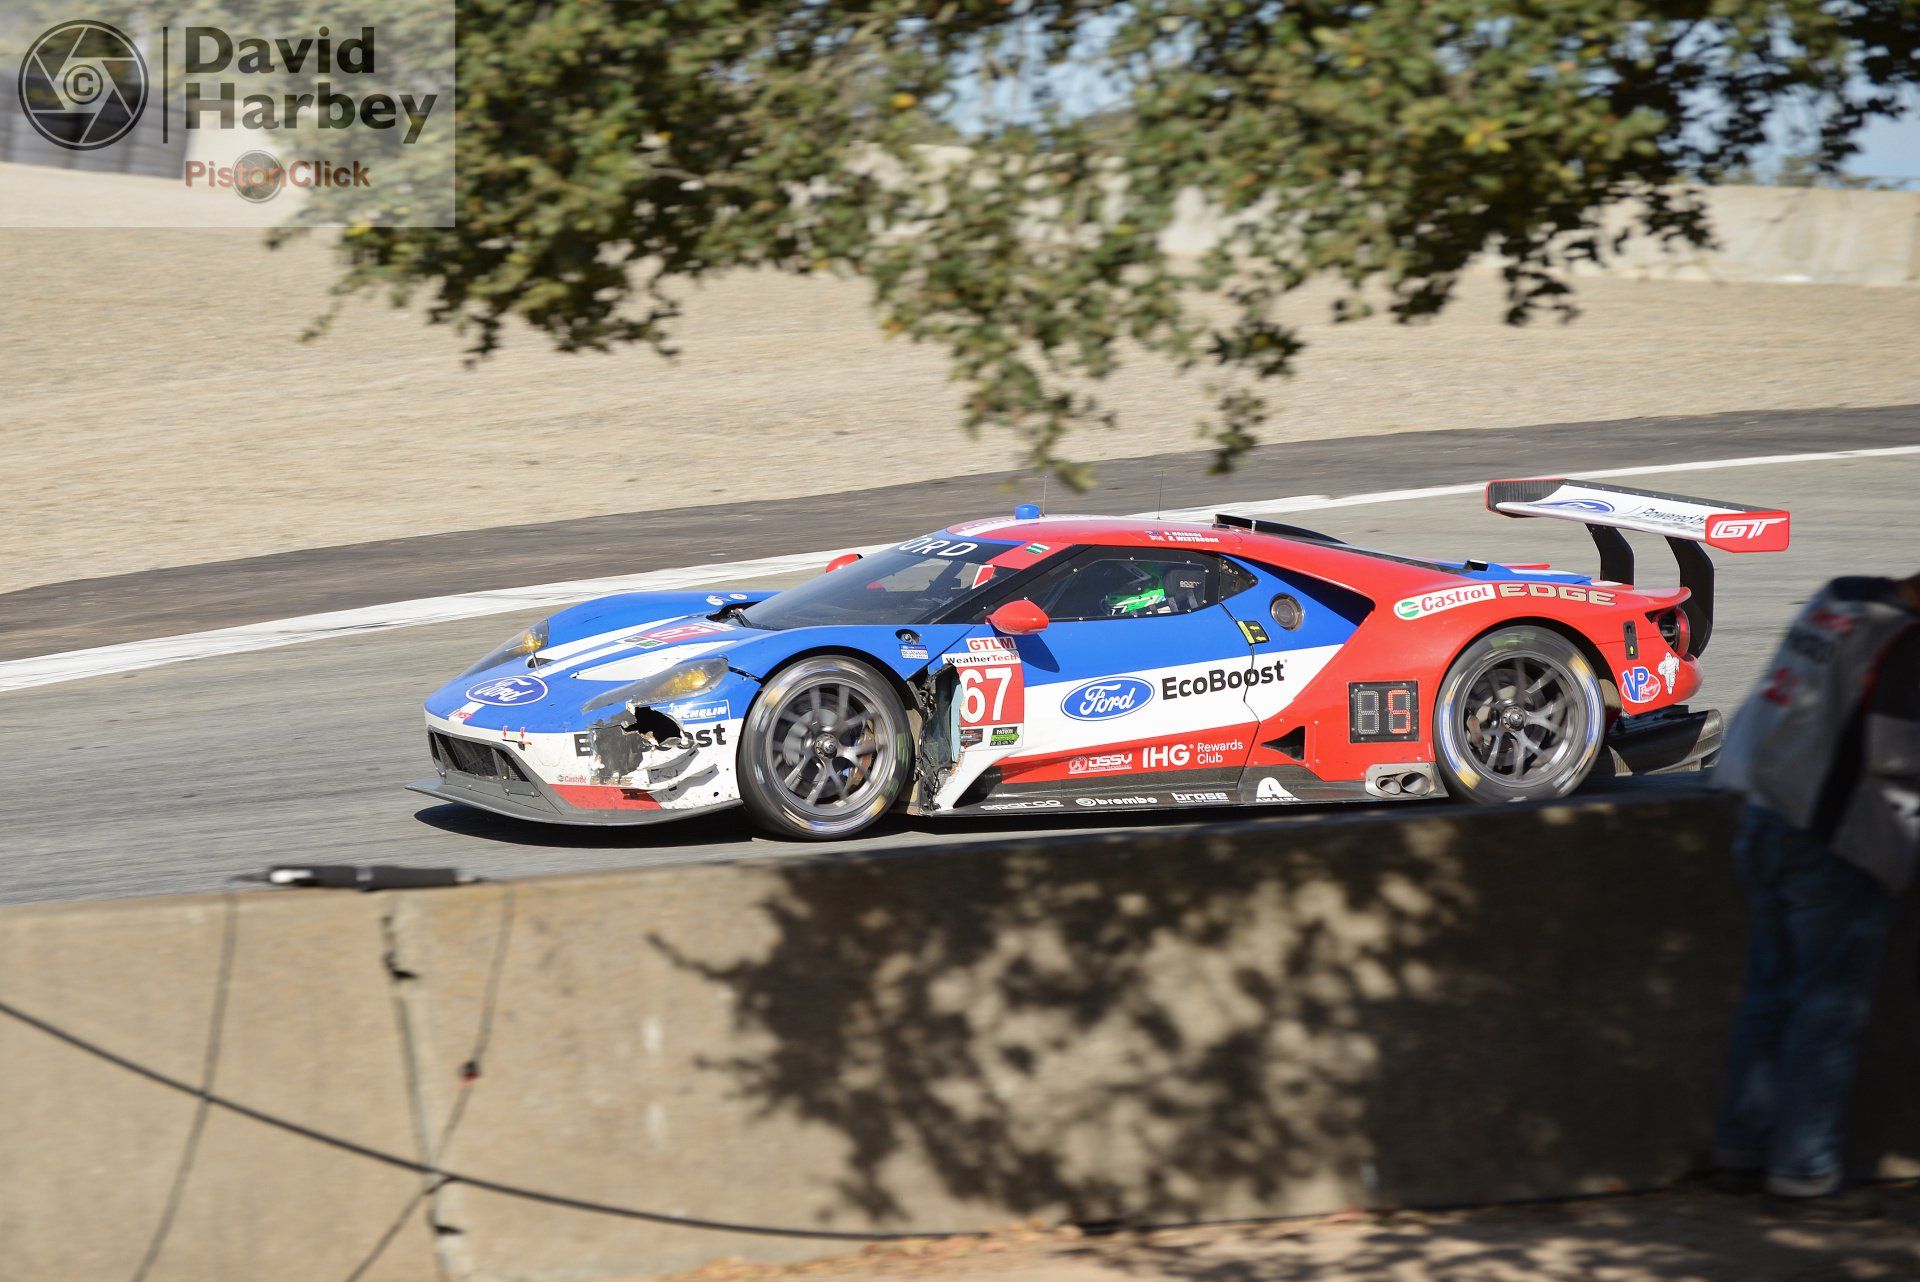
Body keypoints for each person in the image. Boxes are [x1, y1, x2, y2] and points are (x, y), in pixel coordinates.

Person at [1709, 570, 1920, 1217]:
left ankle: (1742, 1149)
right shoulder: (1906, 642)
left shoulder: (1838, 598)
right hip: (1832, 840)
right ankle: (1804, 1167)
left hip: (1762, 809)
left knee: (1769, 993)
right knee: (1827, 1010)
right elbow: (1898, 755)